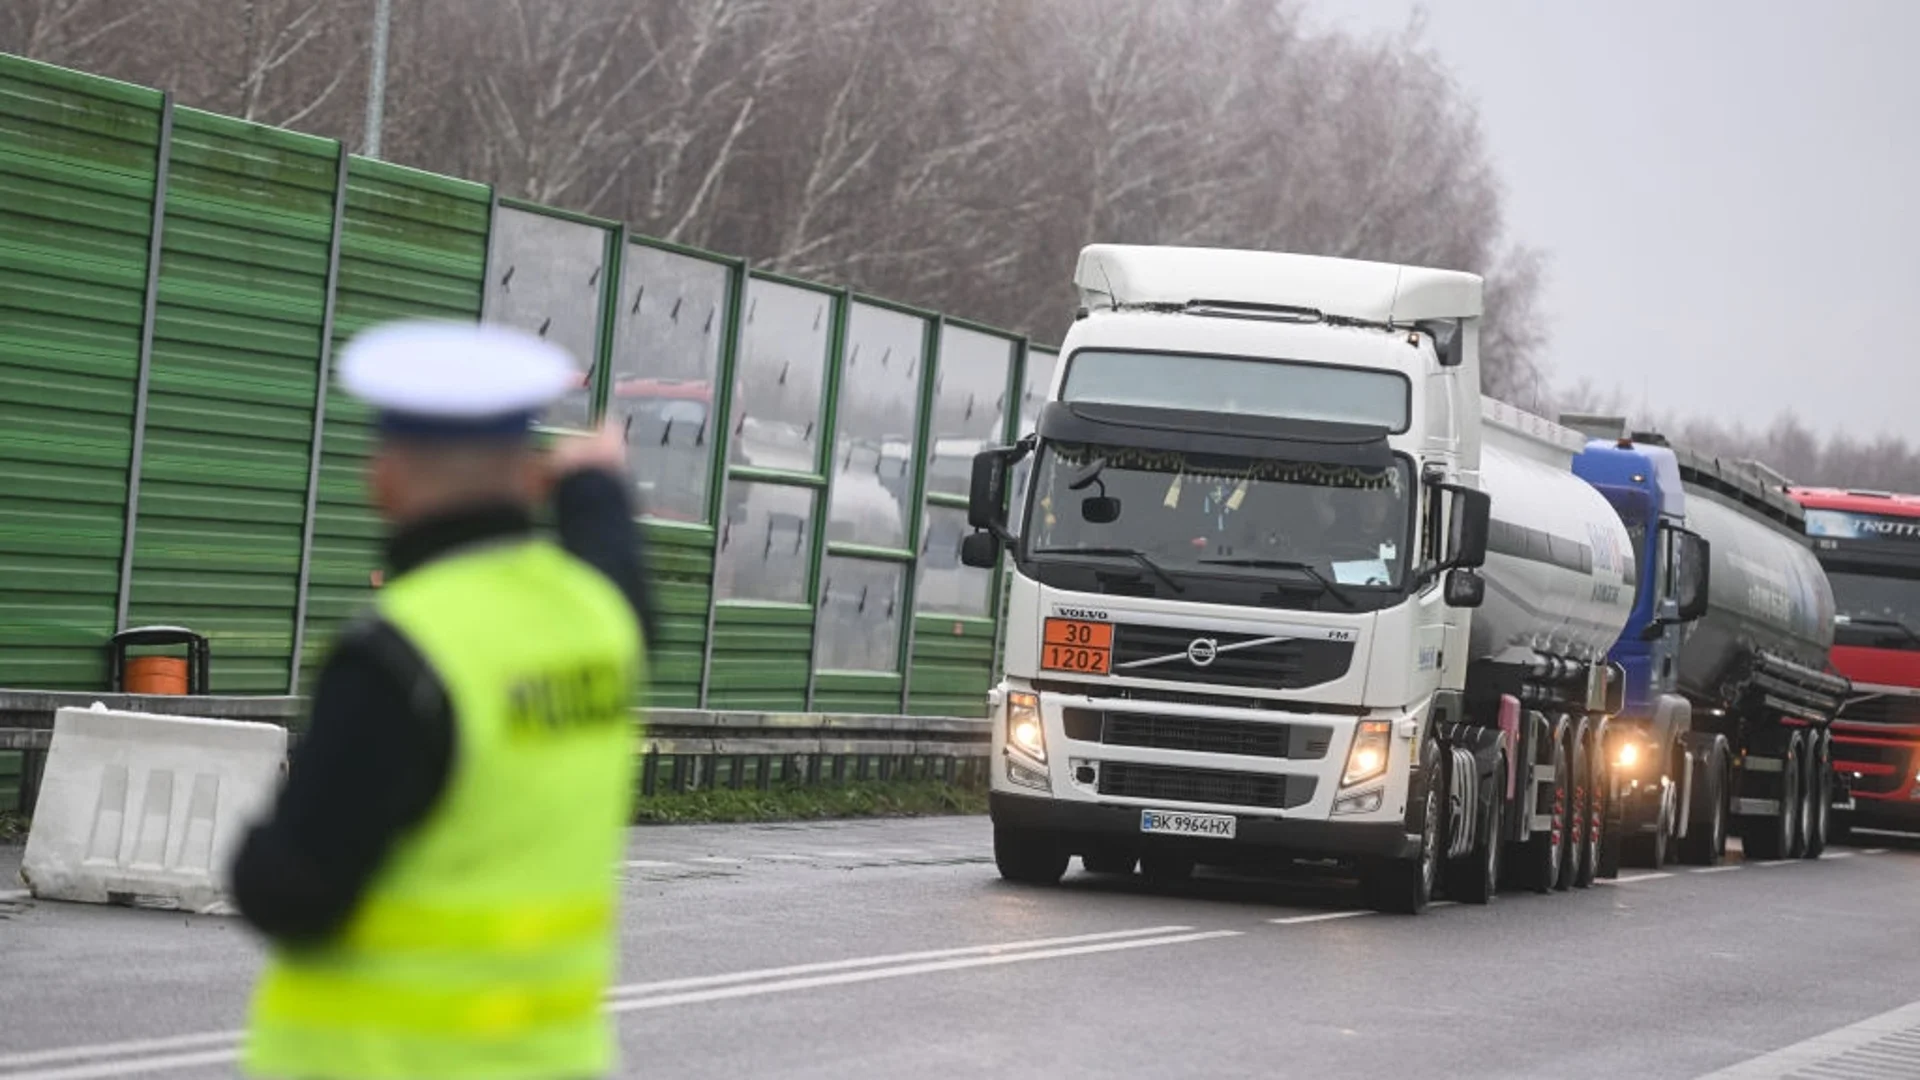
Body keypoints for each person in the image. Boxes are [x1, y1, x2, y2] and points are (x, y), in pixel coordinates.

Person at [229, 319, 656, 1080]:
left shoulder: (397, 653)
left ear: (382, 480)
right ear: (529, 477)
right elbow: (617, 567)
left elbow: (295, 890)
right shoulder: (601, 623)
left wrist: (248, 850)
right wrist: (595, 484)